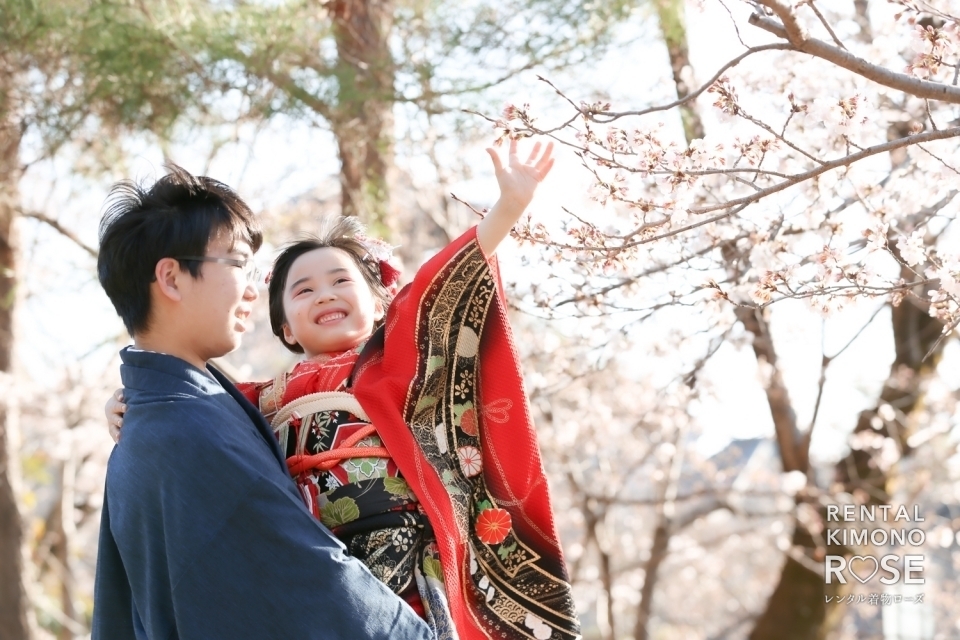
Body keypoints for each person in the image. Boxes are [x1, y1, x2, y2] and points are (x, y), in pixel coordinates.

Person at [108, 140, 581, 640]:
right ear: (285, 327)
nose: (325, 294)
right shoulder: (260, 397)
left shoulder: (393, 364)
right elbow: (186, 396)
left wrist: (507, 208)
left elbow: (438, 288)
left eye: (340, 281)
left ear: (381, 306)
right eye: (303, 290)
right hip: (319, 562)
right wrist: (124, 402)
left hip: (403, 561)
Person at [93, 165, 432, 640]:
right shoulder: (188, 433)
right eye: (236, 264)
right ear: (171, 278)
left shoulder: (163, 420)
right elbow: (309, 580)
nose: (254, 289)